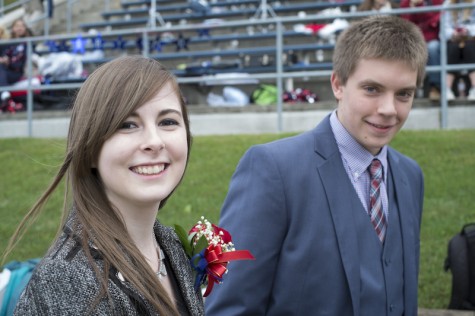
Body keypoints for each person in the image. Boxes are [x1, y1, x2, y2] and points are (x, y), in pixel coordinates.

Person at [205, 15, 426, 315]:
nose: (388, 109)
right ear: (338, 84)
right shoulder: (272, 170)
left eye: (404, 94)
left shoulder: (410, 176)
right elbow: (230, 307)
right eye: (372, 89)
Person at [3, 56, 204, 315]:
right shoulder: (70, 284)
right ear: (91, 146)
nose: (154, 141)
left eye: (168, 122)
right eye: (128, 125)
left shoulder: (171, 247)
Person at [400, 0, 444, 101]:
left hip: (432, 39)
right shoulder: (406, 2)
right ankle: (408, 88)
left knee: (433, 48)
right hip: (413, 39)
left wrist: (420, 8)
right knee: (406, 50)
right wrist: (412, 8)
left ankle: (435, 87)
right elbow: (406, 24)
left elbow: (436, 21)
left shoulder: (437, 1)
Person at [443, 0, 475, 100]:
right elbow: (444, 29)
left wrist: (468, 31)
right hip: (453, 40)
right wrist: (454, 33)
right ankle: (447, 90)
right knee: (453, 48)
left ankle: (474, 88)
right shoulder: (447, 4)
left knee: (470, 48)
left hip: (471, 39)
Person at [0, 18, 32, 87]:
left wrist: (8, 61)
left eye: (22, 26)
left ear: (25, 28)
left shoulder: (28, 42)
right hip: (5, 70)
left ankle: (4, 93)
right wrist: (4, 59)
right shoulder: (8, 43)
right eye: (17, 26)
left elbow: (20, 63)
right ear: (13, 28)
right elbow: (4, 55)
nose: (19, 28)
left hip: (16, 72)